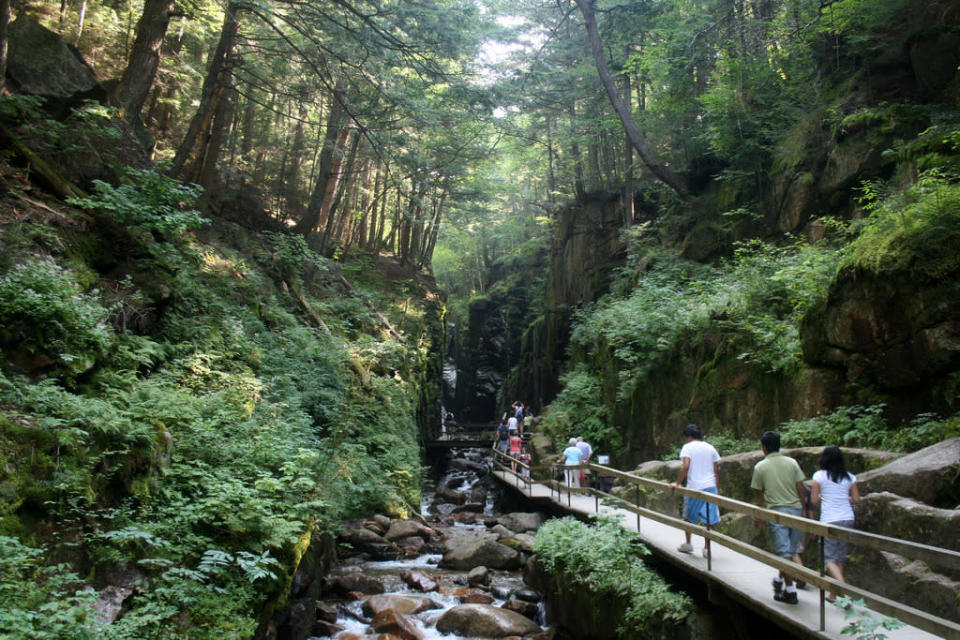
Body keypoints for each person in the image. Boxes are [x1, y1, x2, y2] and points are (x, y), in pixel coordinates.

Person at [750, 430, 808, 605]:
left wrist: (758, 516)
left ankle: (790, 592)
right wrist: (804, 509)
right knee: (789, 551)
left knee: (785, 553)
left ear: (764, 448)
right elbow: (801, 488)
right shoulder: (792, 463)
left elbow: (759, 495)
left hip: (776, 512)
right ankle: (779, 581)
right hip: (796, 511)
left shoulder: (760, 467)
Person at [811, 445, 861, 602]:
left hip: (830, 520)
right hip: (847, 519)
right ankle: (833, 594)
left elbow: (813, 500)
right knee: (839, 558)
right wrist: (846, 498)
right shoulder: (849, 477)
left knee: (828, 559)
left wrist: (822, 497)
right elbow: (857, 499)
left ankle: (842, 589)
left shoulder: (819, 476)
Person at [668, 424, 720, 558]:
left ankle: (688, 543)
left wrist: (677, 483)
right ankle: (707, 548)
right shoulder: (710, 447)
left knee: (689, 516)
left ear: (688, 436)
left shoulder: (687, 447)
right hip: (710, 486)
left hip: (694, 487)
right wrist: (717, 489)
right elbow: (715, 471)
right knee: (709, 519)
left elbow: (685, 466)